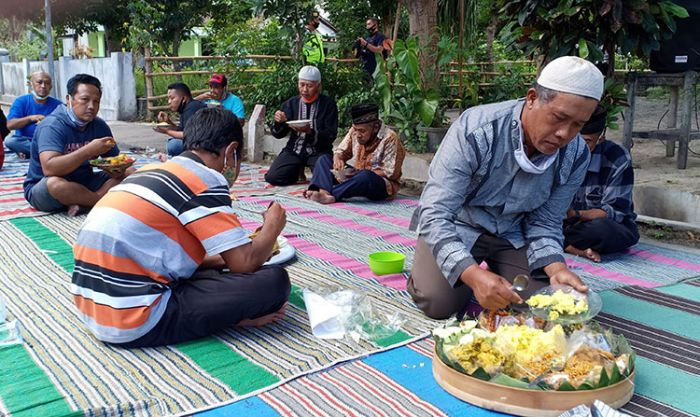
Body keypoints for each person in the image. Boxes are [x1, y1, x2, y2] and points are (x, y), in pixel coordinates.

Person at [71, 108, 290, 347]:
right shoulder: (206, 179)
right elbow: (244, 262)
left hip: (92, 308)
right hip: (134, 319)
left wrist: (220, 261)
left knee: (217, 270)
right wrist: (273, 225)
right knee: (274, 281)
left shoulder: (150, 170)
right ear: (230, 152)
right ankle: (234, 319)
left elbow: (160, 251)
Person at [409, 56, 603, 319]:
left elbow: (545, 223)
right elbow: (435, 214)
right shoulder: (476, 131)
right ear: (532, 98)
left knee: (549, 307)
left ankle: (494, 271)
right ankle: (435, 274)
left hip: (514, 232)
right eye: (559, 118)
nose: (564, 134)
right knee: (439, 303)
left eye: (578, 125)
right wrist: (472, 274)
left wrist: (556, 268)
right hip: (459, 226)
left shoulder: (576, 154)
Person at [23, 74, 126, 216]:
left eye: (96, 101)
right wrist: (88, 150)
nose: (91, 106)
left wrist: (117, 169)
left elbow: (114, 160)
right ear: (69, 99)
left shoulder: (99, 125)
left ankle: (85, 203)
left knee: (132, 173)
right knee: (55, 184)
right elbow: (50, 169)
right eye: (85, 99)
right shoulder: (52, 126)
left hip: (85, 182)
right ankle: (98, 201)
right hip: (46, 188)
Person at [564, 106, 639, 262]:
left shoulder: (617, 158)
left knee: (604, 231)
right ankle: (570, 247)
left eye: (586, 142)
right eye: (573, 140)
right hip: (558, 224)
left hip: (595, 226)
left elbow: (616, 211)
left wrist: (576, 214)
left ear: (601, 137)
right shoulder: (558, 149)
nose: (578, 148)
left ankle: (562, 244)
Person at [304, 104, 405, 204]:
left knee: (365, 176)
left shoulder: (390, 138)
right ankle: (324, 193)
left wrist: (358, 173)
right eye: (355, 130)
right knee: (324, 159)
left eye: (362, 131)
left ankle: (333, 194)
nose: (358, 135)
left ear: (375, 127)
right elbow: (341, 151)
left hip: (379, 184)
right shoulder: (355, 131)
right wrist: (338, 159)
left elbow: (391, 172)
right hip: (356, 176)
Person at [266, 66, 338, 186]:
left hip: (318, 151)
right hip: (294, 149)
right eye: (301, 85)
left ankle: (312, 171)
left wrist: (310, 131)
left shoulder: (328, 105)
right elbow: (278, 134)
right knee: (273, 177)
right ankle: (296, 170)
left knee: (330, 179)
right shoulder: (290, 104)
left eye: (309, 86)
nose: (304, 89)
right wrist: (279, 122)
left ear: (318, 86)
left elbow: (331, 135)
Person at [5, 71, 62, 158]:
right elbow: (9, 125)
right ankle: (43, 153)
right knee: (9, 141)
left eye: (47, 83)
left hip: (48, 141)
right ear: (31, 84)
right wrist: (31, 118)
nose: (43, 86)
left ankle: (31, 152)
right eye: (39, 82)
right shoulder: (21, 101)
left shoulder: (58, 105)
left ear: (51, 86)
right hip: (25, 141)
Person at [153, 82, 206, 157]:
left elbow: (187, 135)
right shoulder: (186, 108)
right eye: (168, 98)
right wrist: (168, 121)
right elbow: (181, 130)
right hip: (196, 142)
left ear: (184, 98)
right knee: (173, 142)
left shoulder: (192, 108)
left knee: (174, 145)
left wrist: (167, 131)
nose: (169, 102)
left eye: (172, 98)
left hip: (206, 146)